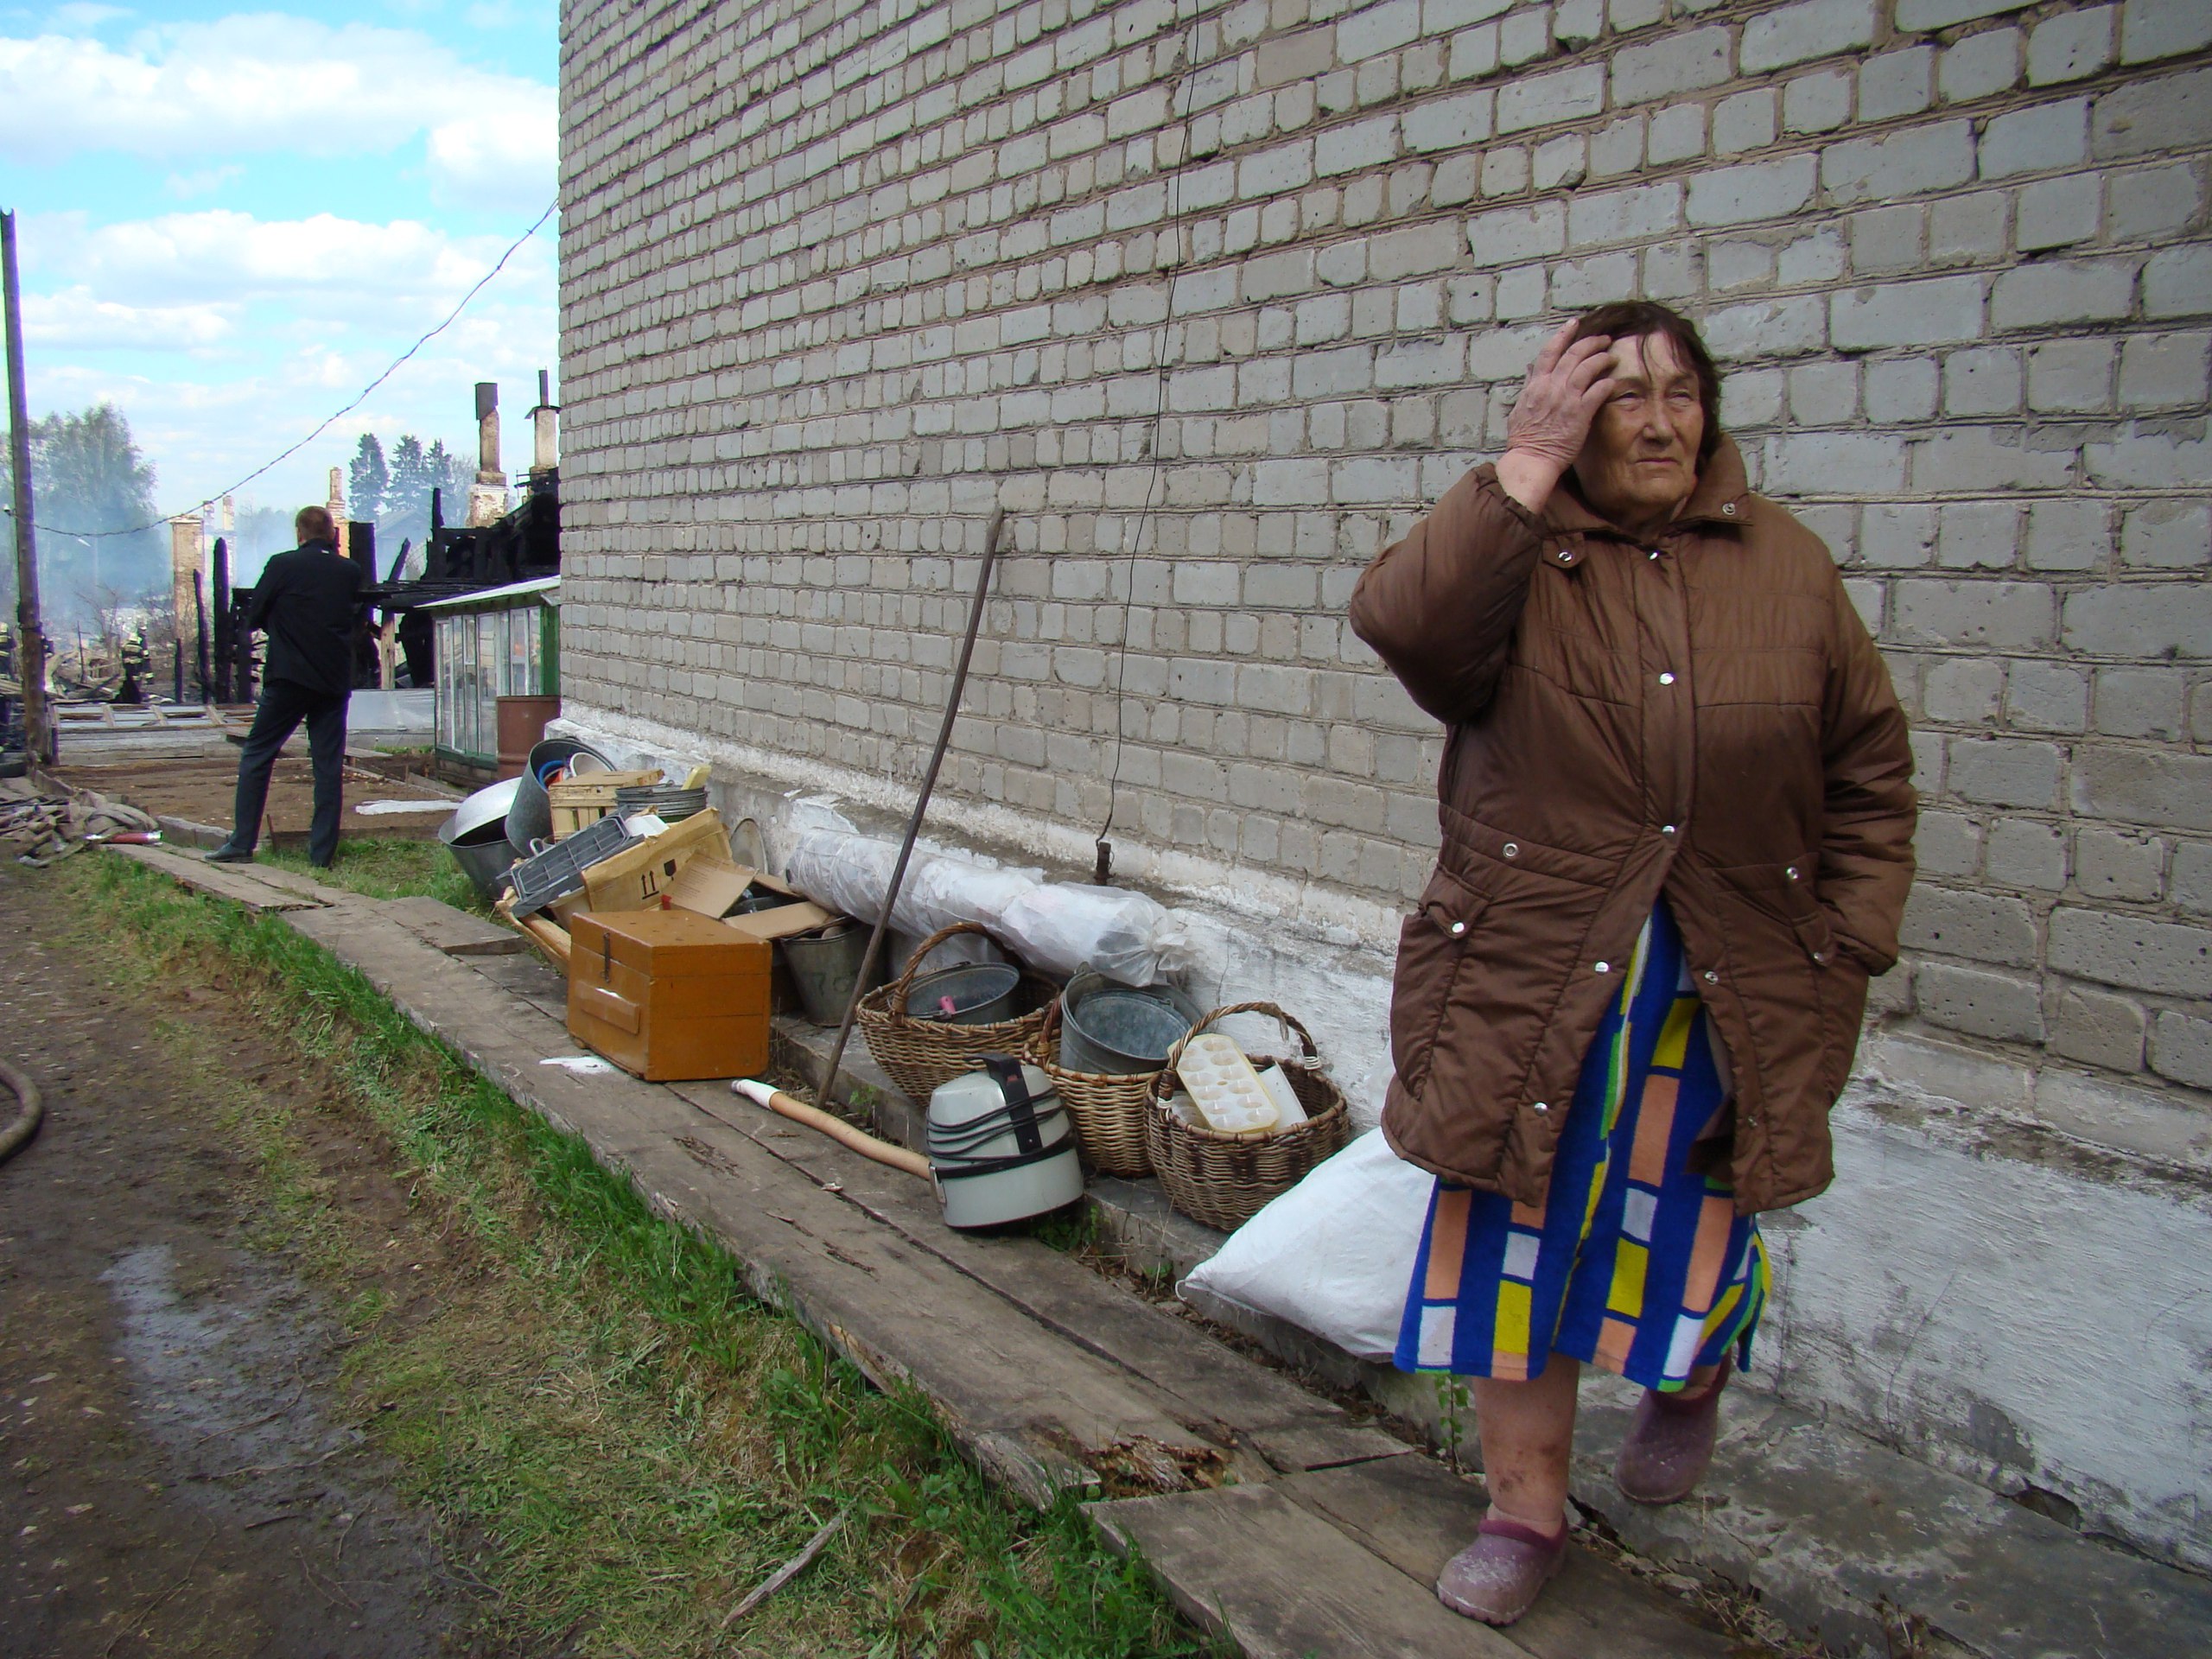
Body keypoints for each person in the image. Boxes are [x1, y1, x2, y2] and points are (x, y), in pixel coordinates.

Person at [1347, 302, 1916, 1627]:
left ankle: (1695, 1362)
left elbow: (1870, 778)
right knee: (1514, 1239)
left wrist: (1850, 943)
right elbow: (1406, 626)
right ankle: (1522, 1509)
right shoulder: (1515, 548)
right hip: (1537, 970)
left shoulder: (1788, 565)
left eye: (1679, 392)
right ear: (1570, 420)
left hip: (1730, 970)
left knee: (1694, 1214)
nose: (1657, 420)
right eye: (1618, 398)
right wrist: (1522, 469)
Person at [207, 505, 365, 868]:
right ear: (332, 535)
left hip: (289, 678)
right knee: (327, 766)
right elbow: (357, 618)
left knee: (258, 754)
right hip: (332, 682)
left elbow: (255, 614)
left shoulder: (282, 565)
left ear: (299, 533)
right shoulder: (349, 571)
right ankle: (321, 855)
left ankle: (241, 842)